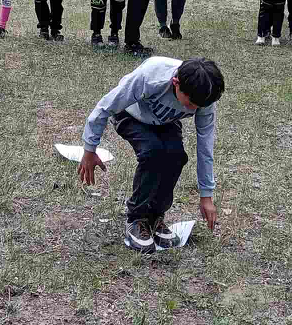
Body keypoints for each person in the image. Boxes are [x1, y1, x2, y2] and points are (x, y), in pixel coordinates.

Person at [77, 56, 225, 253]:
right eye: (190, 104)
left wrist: (206, 196)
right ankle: (136, 219)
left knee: (176, 156)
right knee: (153, 153)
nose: (194, 109)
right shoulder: (150, 77)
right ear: (176, 83)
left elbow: (205, 145)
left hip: (165, 121)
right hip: (130, 114)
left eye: (199, 106)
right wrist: (89, 150)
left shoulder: (203, 95)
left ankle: (155, 217)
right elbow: (105, 107)